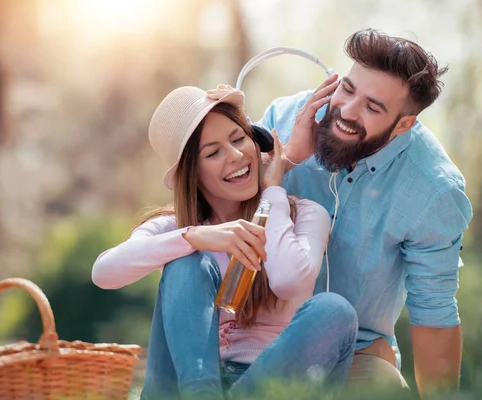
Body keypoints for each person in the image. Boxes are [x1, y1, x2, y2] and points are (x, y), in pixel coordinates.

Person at [91, 84, 358, 399]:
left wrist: (271, 194)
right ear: (193, 174)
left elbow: (289, 280)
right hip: (185, 383)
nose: (234, 156)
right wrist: (194, 237)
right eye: (213, 152)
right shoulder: (175, 227)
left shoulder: (305, 215)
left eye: (238, 139)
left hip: (264, 385)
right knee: (187, 262)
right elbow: (104, 273)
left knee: (335, 310)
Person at [258, 29, 473, 397]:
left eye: (373, 107)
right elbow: (222, 215)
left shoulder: (435, 191)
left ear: (404, 124)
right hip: (253, 334)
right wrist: (288, 157)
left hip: (354, 353)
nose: (347, 111)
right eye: (347, 89)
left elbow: (434, 314)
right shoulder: (285, 117)